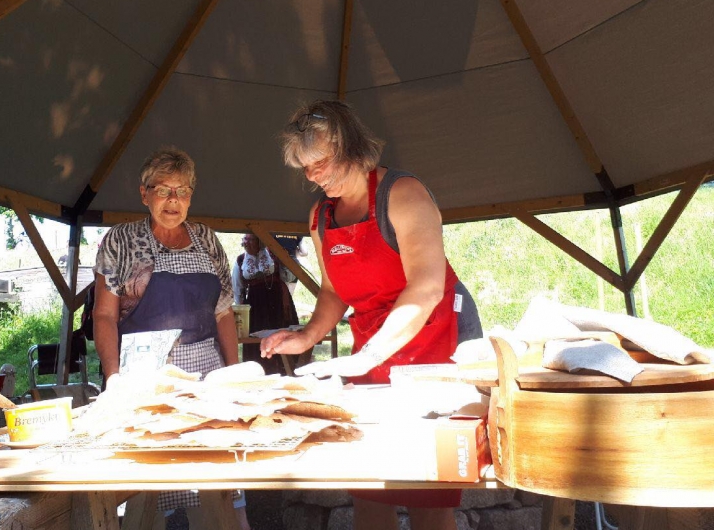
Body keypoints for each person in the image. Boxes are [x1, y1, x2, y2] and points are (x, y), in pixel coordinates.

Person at [260, 100, 483, 530]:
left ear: (353, 148)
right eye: (304, 167)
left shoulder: (403, 194)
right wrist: (307, 336)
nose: (312, 175)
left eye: (320, 162)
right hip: (374, 343)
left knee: (429, 485)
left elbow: (427, 288)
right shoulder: (321, 216)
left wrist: (369, 356)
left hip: (436, 336)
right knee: (370, 477)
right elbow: (332, 289)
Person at [92, 147, 250, 528]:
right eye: (163, 190)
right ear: (144, 194)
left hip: (206, 376)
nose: (173, 200)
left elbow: (223, 311)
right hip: (148, 377)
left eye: (182, 191)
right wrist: (114, 380)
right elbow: (104, 315)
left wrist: (236, 374)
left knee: (216, 483)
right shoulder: (121, 240)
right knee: (148, 482)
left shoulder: (208, 240)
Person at [231, 233, 299, 375]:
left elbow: (290, 276)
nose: (246, 244)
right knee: (257, 335)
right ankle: (259, 370)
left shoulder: (274, 254)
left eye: (250, 241)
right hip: (256, 304)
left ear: (260, 242)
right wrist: (241, 308)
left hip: (277, 300)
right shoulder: (240, 260)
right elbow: (237, 287)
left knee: (279, 330)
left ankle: (285, 369)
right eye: (244, 241)